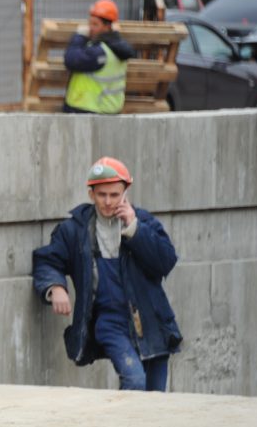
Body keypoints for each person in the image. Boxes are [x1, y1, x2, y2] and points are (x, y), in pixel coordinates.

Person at [32, 157, 182, 391]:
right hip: (110, 322)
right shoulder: (75, 229)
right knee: (134, 380)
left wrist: (134, 228)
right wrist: (55, 287)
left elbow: (165, 262)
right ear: (91, 194)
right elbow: (47, 260)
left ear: (126, 192)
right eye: (102, 195)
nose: (108, 202)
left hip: (151, 319)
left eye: (114, 195)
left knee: (156, 396)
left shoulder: (144, 222)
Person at [63, 0, 136, 114]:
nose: (90, 28)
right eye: (90, 23)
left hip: (88, 110)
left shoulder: (100, 52)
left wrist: (79, 37)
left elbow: (71, 60)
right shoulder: (117, 47)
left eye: (95, 24)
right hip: (109, 109)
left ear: (107, 27)